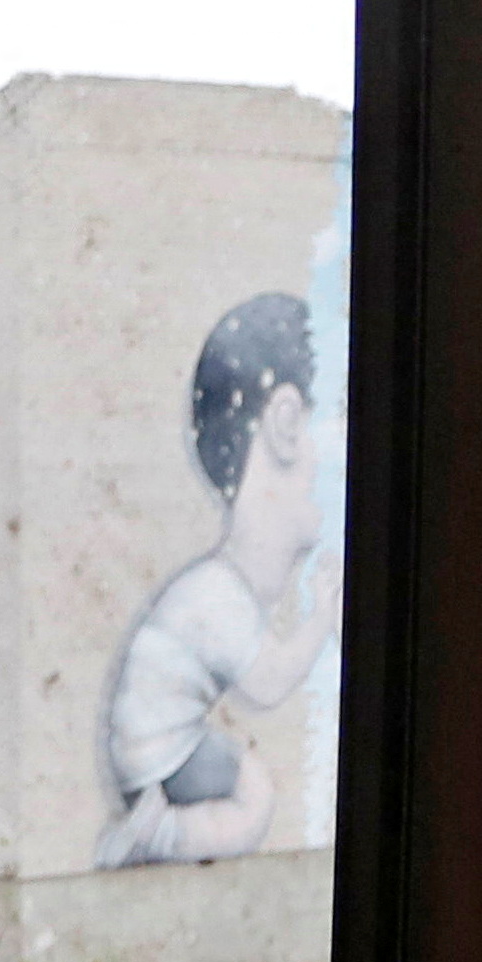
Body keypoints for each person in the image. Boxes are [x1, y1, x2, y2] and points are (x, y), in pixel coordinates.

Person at [92, 291, 334, 868]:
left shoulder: (222, 587)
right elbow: (269, 683)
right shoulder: (213, 593)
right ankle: (152, 835)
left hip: (154, 747)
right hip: (156, 751)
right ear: (286, 422)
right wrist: (325, 614)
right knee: (255, 793)